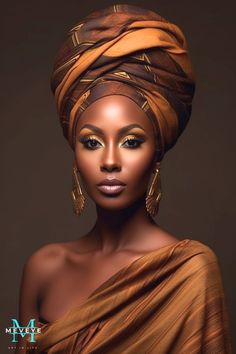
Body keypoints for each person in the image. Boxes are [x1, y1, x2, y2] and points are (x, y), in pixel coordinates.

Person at [16, 4, 232, 353]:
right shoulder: (43, 269)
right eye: (92, 142)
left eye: (131, 142)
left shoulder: (190, 272)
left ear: (157, 152)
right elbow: (18, 344)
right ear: (75, 152)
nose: (110, 161)